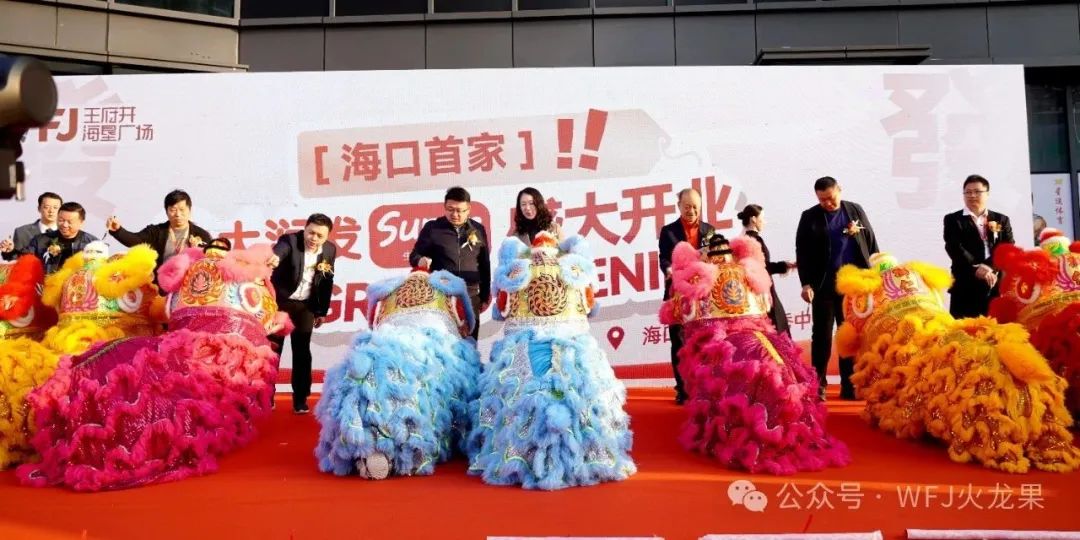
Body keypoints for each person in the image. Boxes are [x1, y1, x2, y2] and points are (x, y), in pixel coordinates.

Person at [659, 234, 849, 474]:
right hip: (758, 334)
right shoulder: (749, 271)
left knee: (720, 370)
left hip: (722, 338)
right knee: (780, 366)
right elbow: (764, 306)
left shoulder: (698, 276)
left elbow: (675, 313)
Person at [794, 177, 879, 400]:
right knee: (822, 336)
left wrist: (875, 272)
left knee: (848, 336)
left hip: (852, 286)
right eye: (822, 200)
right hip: (823, 285)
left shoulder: (854, 210)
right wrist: (806, 283)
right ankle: (818, 384)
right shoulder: (809, 216)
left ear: (839, 190)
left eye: (831, 198)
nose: (827, 203)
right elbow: (802, 252)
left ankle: (849, 386)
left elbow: (870, 241)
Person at [268, 213, 337, 415]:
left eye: (320, 236)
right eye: (311, 233)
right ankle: (266, 395)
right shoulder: (290, 241)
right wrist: (275, 257)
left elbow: (326, 281)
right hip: (280, 304)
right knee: (273, 351)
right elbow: (280, 250)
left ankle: (300, 399)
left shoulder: (330, 250)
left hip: (305, 306)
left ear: (327, 237)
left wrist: (321, 311)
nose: (314, 238)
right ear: (305, 229)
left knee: (302, 353)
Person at [409, 186, 491, 341]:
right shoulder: (433, 228)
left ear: (468, 209)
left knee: (470, 343)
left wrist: (484, 295)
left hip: (470, 296)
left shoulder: (478, 230)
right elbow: (414, 255)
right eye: (450, 209)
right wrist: (420, 260)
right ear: (444, 207)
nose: (455, 214)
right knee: (444, 343)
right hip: (442, 297)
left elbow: (484, 264)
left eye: (460, 210)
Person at [658, 188, 715, 405]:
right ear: (679, 206)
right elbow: (664, 258)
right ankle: (683, 389)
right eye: (687, 206)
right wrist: (668, 270)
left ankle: (704, 388)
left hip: (703, 296)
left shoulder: (709, 230)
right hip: (677, 294)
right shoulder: (668, 231)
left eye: (695, 207)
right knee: (679, 343)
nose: (692, 211)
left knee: (705, 343)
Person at [943, 174, 1014, 318]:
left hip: (994, 284)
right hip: (965, 284)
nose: (972, 195)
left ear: (987, 193)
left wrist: (988, 267)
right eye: (968, 192)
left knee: (997, 329)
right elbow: (954, 247)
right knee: (964, 329)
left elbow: (1007, 247)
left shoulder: (1001, 219)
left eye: (977, 191)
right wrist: (976, 267)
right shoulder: (953, 219)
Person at [105, 189, 213, 271]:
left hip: (189, 288)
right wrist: (118, 230)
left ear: (189, 210)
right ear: (166, 211)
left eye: (182, 210)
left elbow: (210, 261)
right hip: (161, 286)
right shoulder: (156, 231)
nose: (178, 214)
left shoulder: (202, 235)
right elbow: (135, 240)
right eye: (173, 210)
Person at [738, 204, 794, 335]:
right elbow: (762, 267)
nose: (765, 222)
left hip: (754, 293)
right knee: (776, 328)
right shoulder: (754, 240)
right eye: (762, 218)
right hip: (763, 293)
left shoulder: (744, 239)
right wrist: (784, 265)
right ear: (753, 219)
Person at [1, 202, 98, 274]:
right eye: (61, 220)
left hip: (79, 291)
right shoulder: (41, 240)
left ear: (81, 223)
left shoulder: (92, 243)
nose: (64, 225)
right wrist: (11, 251)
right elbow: (25, 258)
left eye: (69, 222)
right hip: (47, 289)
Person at [3, 192, 62, 261]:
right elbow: (14, 260)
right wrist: (9, 251)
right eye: (46, 207)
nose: (51, 211)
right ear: (39, 208)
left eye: (55, 208)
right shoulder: (22, 232)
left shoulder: (68, 233)